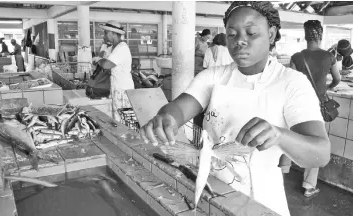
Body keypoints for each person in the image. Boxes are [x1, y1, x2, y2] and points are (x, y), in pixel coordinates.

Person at [139, 2, 331, 216]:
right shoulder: (214, 76)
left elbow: (320, 154)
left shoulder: (291, 83)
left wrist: (280, 135)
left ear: (271, 33)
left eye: (251, 33)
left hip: (260, 201)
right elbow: (180, 109)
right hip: (211, 190)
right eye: (231, 34)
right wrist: (167, 118)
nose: (240, 40)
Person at [279, 20, 340, 198]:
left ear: (305, 36)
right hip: (317, 106)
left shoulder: (297, 57)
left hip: (297, 104)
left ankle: (279, 174)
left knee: (290, 138)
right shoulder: (329, 57)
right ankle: (308, 186)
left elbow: (289, 82)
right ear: (320, 35)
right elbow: (336, 79)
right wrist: (326, 87)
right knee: (315, 142)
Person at [94, 20, 134, 121]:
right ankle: (120, 136)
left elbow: (106, 64)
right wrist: (103, 47)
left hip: (123, 89)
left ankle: (131, 136)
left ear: (113, 33)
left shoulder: (122, 48)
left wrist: (99, 60)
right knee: (117, 118)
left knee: (126, 119)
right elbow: (101, 57)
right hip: (115, 87)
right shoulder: (112, 47)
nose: (105, 35)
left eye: (106, 33)